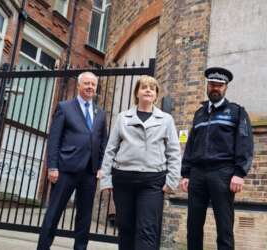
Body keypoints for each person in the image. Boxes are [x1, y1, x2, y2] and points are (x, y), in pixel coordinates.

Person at [98, 75, 181, 250]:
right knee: (125, 228)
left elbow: (174, 151)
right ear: (137, 93)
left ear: (156, 95)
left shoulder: (166, 120)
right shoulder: (123, 118)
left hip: (152, 181)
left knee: (147, 229)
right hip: (123, 180)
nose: (148, 90)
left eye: (152, 88)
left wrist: (172, 180)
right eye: (144, 87)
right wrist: (105, 179)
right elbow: (110, 150)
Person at [180, 67, 254, 250]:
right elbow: (191, 144)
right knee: (193, 226)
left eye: (220, 85)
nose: (216, 88)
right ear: (207, 85)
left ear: (226, 87)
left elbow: (245, 142)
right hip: (197, 174)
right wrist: (186, 173)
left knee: (224, 226)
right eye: (212, 84)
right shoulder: (199, 113)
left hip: (223, 174)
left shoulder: (237, 112)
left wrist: (239, 173)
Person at [37, 72, 108, 250]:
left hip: (89, 173)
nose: (90, 87)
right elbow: (54, 139)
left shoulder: (100, 113)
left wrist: (100, 166)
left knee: (84, 218)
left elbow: (102, 142)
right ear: (78, 86)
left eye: (93, 84)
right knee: (54, 213)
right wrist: (52, 166)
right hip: (65, 169)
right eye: (86, 84)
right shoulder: (65, 107)